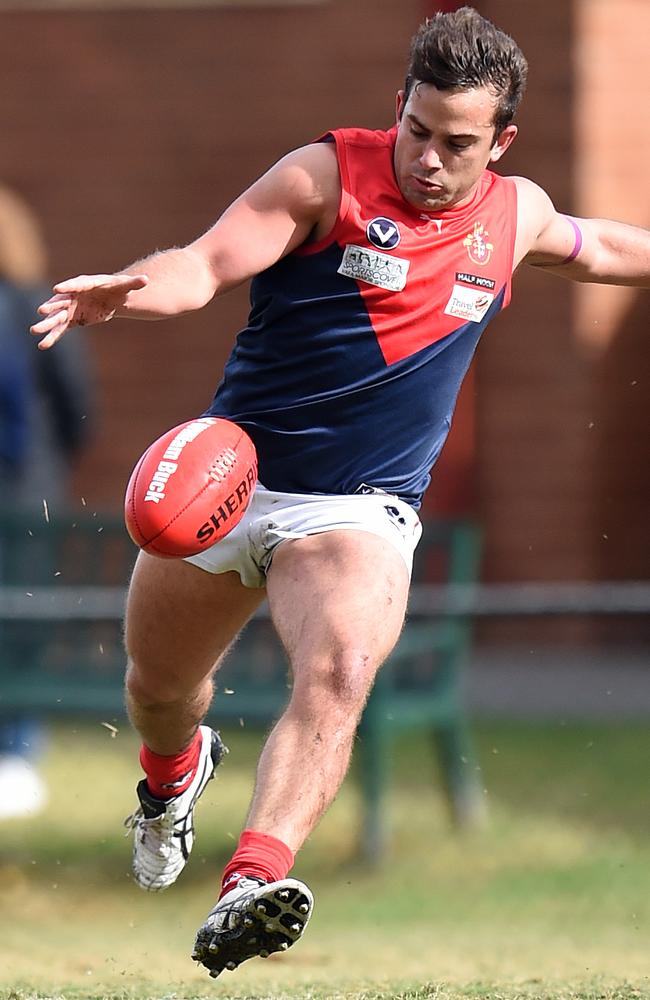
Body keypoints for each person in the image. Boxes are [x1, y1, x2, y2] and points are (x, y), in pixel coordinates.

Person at [31, 6, 650, 978]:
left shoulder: (510, 212)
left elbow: (599, 247)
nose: (430, 160)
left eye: (457, 143)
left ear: (500, 142)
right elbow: (202, 264)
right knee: (157, 691)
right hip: (228, 480)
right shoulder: (321, 176)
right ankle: (172, 776)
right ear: (395, 105)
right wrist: (132, 287)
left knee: (340, 667)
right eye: (417, 130)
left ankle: (250, 880)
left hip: (354, 512)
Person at [0, 184, 91, 820]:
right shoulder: (39, 309)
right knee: (24, 622)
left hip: (24, 489)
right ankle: (17, 752)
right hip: (28, 489)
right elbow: (77, 407)